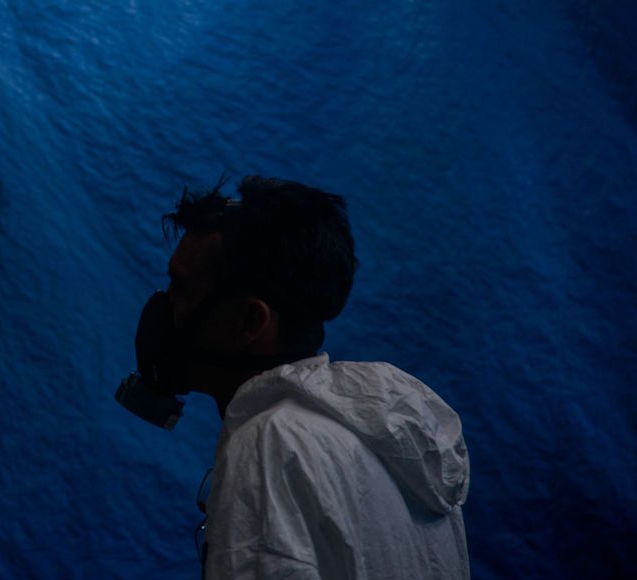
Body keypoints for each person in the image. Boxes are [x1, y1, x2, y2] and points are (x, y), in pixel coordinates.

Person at [129, 176, 471, 579]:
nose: (166, 306)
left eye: (180, 288)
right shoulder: (390, 449)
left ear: (250, 322)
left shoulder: (272, 448)